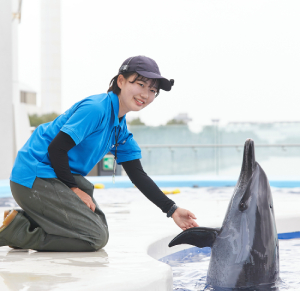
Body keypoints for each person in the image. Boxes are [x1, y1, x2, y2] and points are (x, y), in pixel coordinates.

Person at [0, 55, 199, 252]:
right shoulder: (96, 109)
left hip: (54, 178)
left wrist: (172, 210)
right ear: (121, 81)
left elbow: (137, 175)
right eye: (140, 84)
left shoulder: (119, 129)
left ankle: (24, 222)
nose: (146, 95)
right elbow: (56, 148)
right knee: (94, 237)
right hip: (34, 176)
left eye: (153, 90)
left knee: (98, 226)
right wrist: (74, 189)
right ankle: (17, 230)